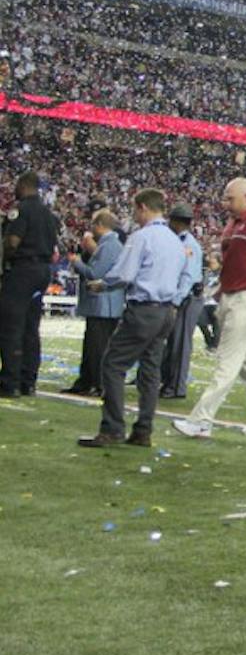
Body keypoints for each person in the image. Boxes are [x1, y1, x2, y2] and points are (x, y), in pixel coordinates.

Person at [172, 178, 246, 439]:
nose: (225, 203)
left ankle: (201, 420)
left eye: (230, 198)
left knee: (227, 360)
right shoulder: (234, 225)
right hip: (230, 296)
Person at [78, 189, 192, 448]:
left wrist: (102, 284)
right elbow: (184, 276)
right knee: (150, 372)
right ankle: (143, 431)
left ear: (142, 207)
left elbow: (125, 274)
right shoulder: (176, 241)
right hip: (165, 311)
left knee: (113, 365)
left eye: (134, 210)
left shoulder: (141, 237)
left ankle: (112, 429)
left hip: (143, 309)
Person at [0, 170, 60, 398]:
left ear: (23, 185)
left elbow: (13, 242)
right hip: (42, 271)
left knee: (11, 325)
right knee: (31, 327)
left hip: (22, 270)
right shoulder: (48, 214)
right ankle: (28, 381)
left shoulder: (21, 210)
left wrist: (5, 261)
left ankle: (10, 382)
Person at [64, 208, 123, 396]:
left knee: (97, 347)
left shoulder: (109, 245)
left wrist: (77, 262)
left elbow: (95, 273)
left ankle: (98, 383)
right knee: (92, 346)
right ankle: (87, 381)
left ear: (99, 225)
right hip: (104, 305)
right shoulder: (110, 244)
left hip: (103, 305)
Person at [157, 204, 204, 399]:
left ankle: (176, 387)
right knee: (172, 342)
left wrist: (176, 302)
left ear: (176, 222)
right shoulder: (179, 241)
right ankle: (168, 382)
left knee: (180, 344)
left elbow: (188, 277)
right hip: (181, 297)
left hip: (187, 299)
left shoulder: (189, 245)